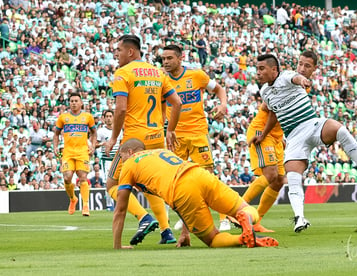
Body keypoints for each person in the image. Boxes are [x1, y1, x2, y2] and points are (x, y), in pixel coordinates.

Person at [256, 52, 357, 232]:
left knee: (339, 129)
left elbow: (296, 78)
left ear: (274, 69)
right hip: (294, 137)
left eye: (262, 69)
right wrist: (263, 135)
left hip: (312, 125)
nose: (258, 73)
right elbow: (273, 114)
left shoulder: (285, 76)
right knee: (293, 177)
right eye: (257, 69)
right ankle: (299, 218)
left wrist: (303, 80)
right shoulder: (264, 92)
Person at [111, 138, 279, 249]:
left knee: (213, 239)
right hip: (199, 174)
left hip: (181, 191)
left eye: (122, 156)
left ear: (131, 152)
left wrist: (117, 245)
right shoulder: (162, 152)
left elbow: (120, 209)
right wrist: (185, 232)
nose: (122, 161)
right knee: (246, 209)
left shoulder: (130, 164)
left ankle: (241, 239)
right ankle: (247, 218)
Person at [105, 35, 182, 245]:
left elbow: (120, 108)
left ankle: (144, 217)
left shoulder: (123, 73)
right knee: (150, 187)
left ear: (130, 52)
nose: (116, 55)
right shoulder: (158, 73)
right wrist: (170, 130)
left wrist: (113, 138)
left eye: (119, 51)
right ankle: (166, 231)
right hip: (157, 140)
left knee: (112, 184)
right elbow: (177, 103)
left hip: (134, 142)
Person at [241, 51, 318, 233]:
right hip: (262, 131)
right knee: (270, 174)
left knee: (279, 181)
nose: (301, 69)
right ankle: (237, 210)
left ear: (315, 69)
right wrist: (264, 134)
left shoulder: (302, 86)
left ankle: (256, 221)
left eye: (307, 66)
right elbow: (271, 112)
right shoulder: (287, 81)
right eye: (300, 64)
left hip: (276, 136)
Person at [161, 44, 230, 230]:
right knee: (175, 180)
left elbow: (219, 90)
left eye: (169, 58)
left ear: (180, 58)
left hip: (198, 132)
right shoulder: (161, 80)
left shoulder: (196, 75)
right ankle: (185, 218)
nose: (165, 62)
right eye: (163, 59)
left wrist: (222, 105)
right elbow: (161, 108)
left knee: (208, 177)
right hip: (175, 137)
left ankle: (224, 218)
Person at [53, 92, 97, 216]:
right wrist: (55, 147)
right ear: (69, 103)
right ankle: (73, 199)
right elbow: (56, 134)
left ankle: (85, 205)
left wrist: (92, 146)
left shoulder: (87, 117)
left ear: (81, 103)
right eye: (71, 101)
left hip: (83, 152)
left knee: (83, 177)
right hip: (68, 152)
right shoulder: (63, 117)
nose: (73, 103)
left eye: (76, 101)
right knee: (67, 178)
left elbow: (94, 132)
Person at [96, 110, 122, 181]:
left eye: (110, 116)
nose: (108, 118)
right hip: (106, 160)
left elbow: (121, 144)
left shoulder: (119, 130)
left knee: (118, 180)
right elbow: (94, 145)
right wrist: (102, 144)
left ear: (113, 118)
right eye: (107, 116)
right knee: (108, 181)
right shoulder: (101, 131)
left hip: (117, 160)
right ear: (104, 118)